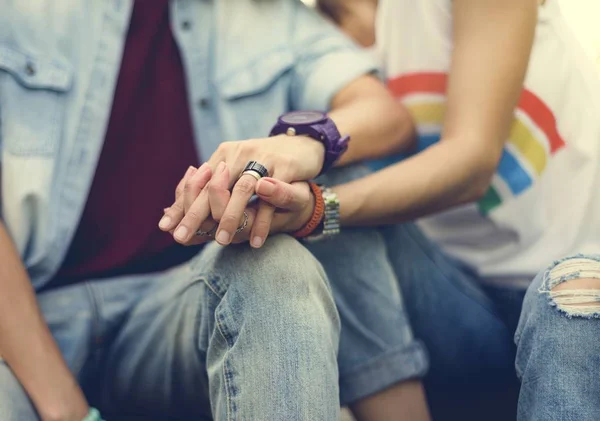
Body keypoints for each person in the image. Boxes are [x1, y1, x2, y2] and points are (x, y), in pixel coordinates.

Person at [0, 1, 430, 420]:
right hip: (25, 324)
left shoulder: (268, 17)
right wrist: (66, 410)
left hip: (177, 311)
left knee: (279, 263)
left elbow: (385, 115)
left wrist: (305, 142)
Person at [171, 0, 600, 420]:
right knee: (310, 200)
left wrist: (318, 207)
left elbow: (473, 162)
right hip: (449, 301)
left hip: (570, 272)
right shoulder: (307, 39)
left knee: (565, 301)